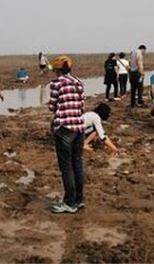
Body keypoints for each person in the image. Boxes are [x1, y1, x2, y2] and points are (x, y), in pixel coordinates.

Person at [48, 56, 85, 214]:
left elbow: (52, 106)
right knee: (77, 163)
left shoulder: (57, 83)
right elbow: (82, 104)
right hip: (79, 128)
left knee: (66, 167)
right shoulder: (78, 82)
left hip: (64, 128)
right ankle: (79, 199)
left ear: (57, 70)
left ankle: (69, 202)